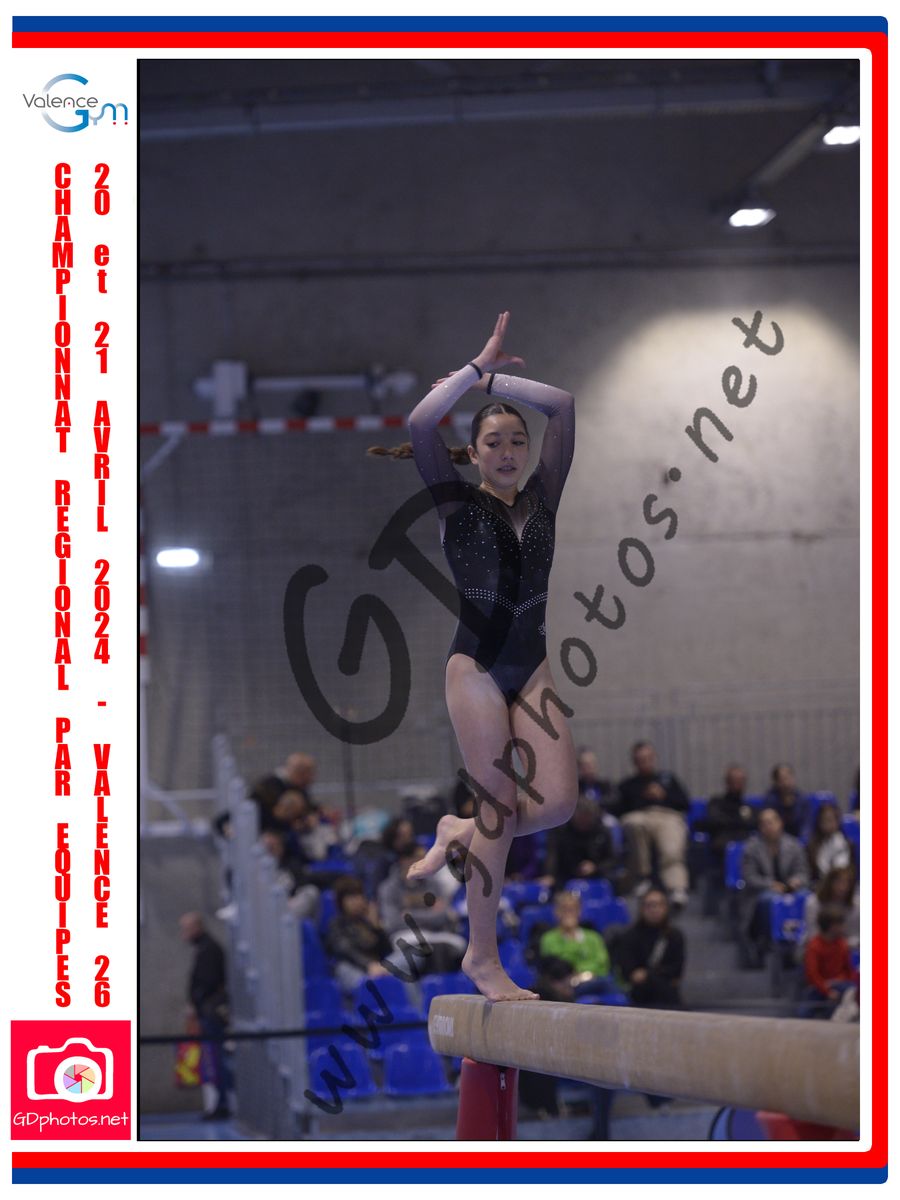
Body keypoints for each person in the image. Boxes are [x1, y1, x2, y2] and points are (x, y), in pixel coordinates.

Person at [369, 311, 577, 1001]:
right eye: (495, 441)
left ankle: (460, 827)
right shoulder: (454, 504)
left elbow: (563, 406)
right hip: (477, 670)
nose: (510, 450)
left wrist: (496, 385)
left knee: (555, 806)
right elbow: (420, 423)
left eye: (518, 440)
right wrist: (474, 370)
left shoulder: (545, 495)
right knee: (501, 809)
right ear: (476, 452)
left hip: (533, 666)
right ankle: (481, 957)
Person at [614, 741, 691, 909]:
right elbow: (619, 809)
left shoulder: (669, 779)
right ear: (635, 762)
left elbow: (685, 804)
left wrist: (664, 796)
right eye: (641, 760)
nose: (645, 762)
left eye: (648, 758)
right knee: (634, 823)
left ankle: (676, 887)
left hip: (667, 815)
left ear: (654, 758)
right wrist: (644, 797)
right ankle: (642, 877)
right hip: (640, 815)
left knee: (672, 843)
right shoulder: (628, 785)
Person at [179, 912, 232, 1120]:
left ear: (196, 927)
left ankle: (223, 1103)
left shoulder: (209, 949)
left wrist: (197, 1002)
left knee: (217, 1059)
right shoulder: (203, 948)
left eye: (186, 929)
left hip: (211, 1012)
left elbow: (207, 982)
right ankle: (220, 1102)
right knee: (213, 1059)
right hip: (206, 1011)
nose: (184, 934)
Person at [740, 806, 809, 964]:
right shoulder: (751, 848)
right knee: (770, 900)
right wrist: (771, 884)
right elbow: (750, 877)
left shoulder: (793, 845)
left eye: (771, 822)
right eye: (764, 823)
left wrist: (796, 881)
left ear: (780, 823)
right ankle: (769, 940)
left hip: (791, 890)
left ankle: (799, 939)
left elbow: (803, 872)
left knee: (805, 897)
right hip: (762, 893)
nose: (768, 827)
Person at [612, 888, 685, 1008]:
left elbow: (676, 971)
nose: (654, 909)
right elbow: (629, 972)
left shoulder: (675, 936)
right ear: (642, 908)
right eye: (650, 905)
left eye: (659, 905)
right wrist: (653, 975)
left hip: (667, 992)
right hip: (639, 994)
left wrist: (647, 974)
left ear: (666, 908)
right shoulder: (629, 936)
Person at [538, 890, 615, 998]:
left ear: (579, 912)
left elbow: (602, 964)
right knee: (606, 984)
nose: (569, 913)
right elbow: (558, 965)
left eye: (573, 909)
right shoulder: (549, 939)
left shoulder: (593, 937)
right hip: (566, 985)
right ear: (557, 912)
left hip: (593, 979)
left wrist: (585, 974)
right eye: (564, 909)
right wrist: (570, 935)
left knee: (607, 982)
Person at [544, 796, 616, 886]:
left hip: (597, 877)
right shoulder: (561, 831)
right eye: (581, 819)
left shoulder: (602, 831)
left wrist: (595, 867)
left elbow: (613, 859)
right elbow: (553, 855)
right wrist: (550, 875)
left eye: (587, 818)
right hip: (565, 877)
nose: (583, 823)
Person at [802, 906, 859, 1018]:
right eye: (840, 925)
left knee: (850, 992)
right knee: (804, 1013)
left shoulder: (842, 944)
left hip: (842, 985)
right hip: (820, 987)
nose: (843, 928)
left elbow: (849, 970)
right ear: (831, 926)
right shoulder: (814, 946)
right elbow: (812, 974)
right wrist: (827, 991)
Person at [806, 801, 852, 882]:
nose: (827, 824)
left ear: (837, 822)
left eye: (830, 820)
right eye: (824, 820)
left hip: (838, 884)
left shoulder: (845, 843)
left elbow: (840, 869)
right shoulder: (812, 845)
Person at [763, 762, 809, 839]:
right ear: (776, 782)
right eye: (782, 779)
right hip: (777, 840)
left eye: (788, 778)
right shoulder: (770, 801)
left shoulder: (802, 800)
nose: (786, 783)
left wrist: (803, 840)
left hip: (798, 839)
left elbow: (806, 825)